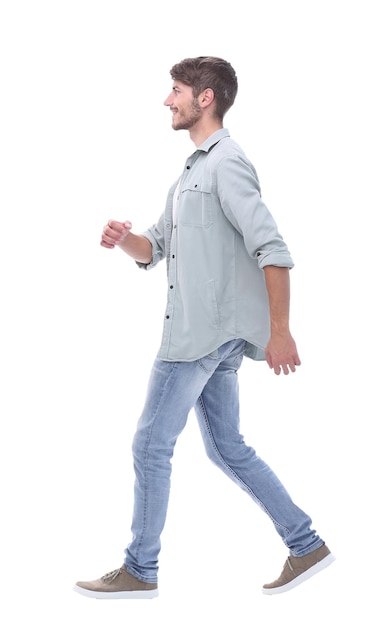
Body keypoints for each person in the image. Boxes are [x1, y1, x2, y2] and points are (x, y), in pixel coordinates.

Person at [74, 56, 334, 599]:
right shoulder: (192, 171)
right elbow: (157, 245)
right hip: (212, 337)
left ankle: (140, 569)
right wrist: (124, 238)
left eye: (175, 90)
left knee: (150, 444)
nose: (168, 101)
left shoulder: (226, 163)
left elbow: (273, 249)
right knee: (226, 446)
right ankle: (305, 542)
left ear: (205, 97)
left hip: (196, 339)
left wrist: (280, 331)